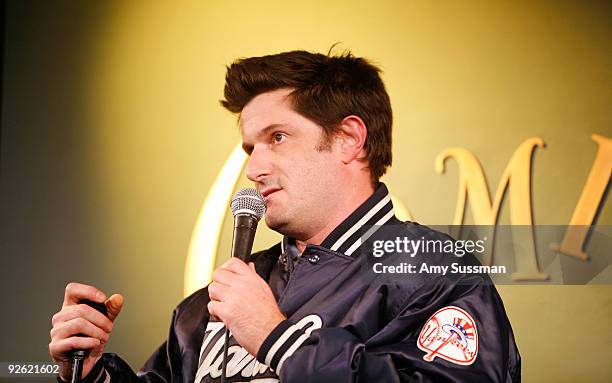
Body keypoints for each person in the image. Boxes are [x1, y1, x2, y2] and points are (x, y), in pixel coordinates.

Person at [49, 50, 521, 382]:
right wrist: (92, 374)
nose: (254, 168)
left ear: (349, 139)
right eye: (250, 147)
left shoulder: (434, 270)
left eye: (277, 137)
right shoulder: (216, 300)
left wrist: (276, 339)